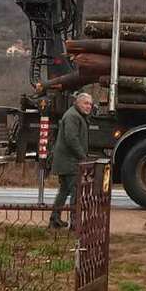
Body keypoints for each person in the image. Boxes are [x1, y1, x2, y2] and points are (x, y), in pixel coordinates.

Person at [49, 91, 93, 229]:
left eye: (90, 104)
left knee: (64, 191)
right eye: (86, 103)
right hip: (69, 161)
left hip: (68, 161)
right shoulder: (73, 116)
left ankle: (55, 219)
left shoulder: (77, 115)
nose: (89, 106)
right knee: (76, 191)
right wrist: (82, 157)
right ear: (78, 103)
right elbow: (71, 139)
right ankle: (75, 223)